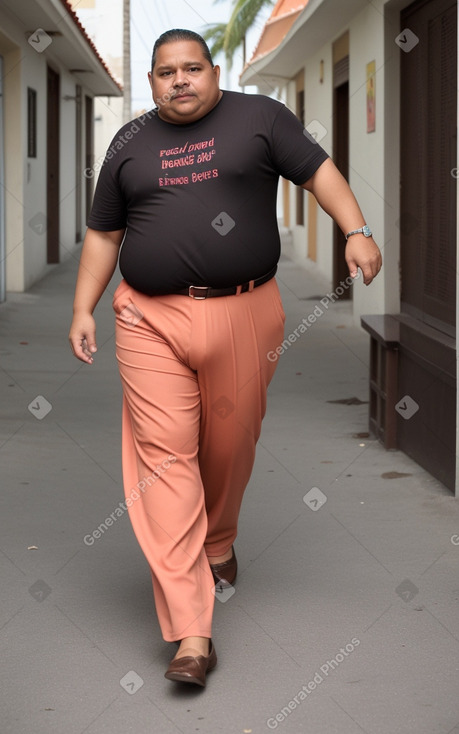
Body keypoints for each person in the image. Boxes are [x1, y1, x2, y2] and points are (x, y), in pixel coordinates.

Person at [69, 28, 382, 687]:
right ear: (151, 82)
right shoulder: (128, 143)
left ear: (213, 72)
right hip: (148, 318)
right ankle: (192, 631)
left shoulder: (260, 119)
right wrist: (82, 308)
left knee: (229, 445)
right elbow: (104, 233)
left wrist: (354, 229)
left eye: (190, 68)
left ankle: (218, 540)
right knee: (168, 456)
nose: (178, 81)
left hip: (245, 311)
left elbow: (318, 171)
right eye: (163, 72)